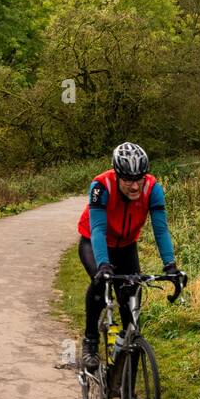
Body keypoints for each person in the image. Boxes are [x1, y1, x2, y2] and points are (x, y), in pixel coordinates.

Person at [78, 142, 179, 384]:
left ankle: (128, 394)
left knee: (132, 320)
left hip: (126, 247)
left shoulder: (153, 188)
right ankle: (91, 341)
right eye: (127, 179)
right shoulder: (101, 186)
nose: (135, 185)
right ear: (116, 174)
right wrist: (103, 265)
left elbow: (160, 229)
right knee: (100, 284)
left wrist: (170, 266)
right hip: (94, 243)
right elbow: (99, 229)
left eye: (139, 179)